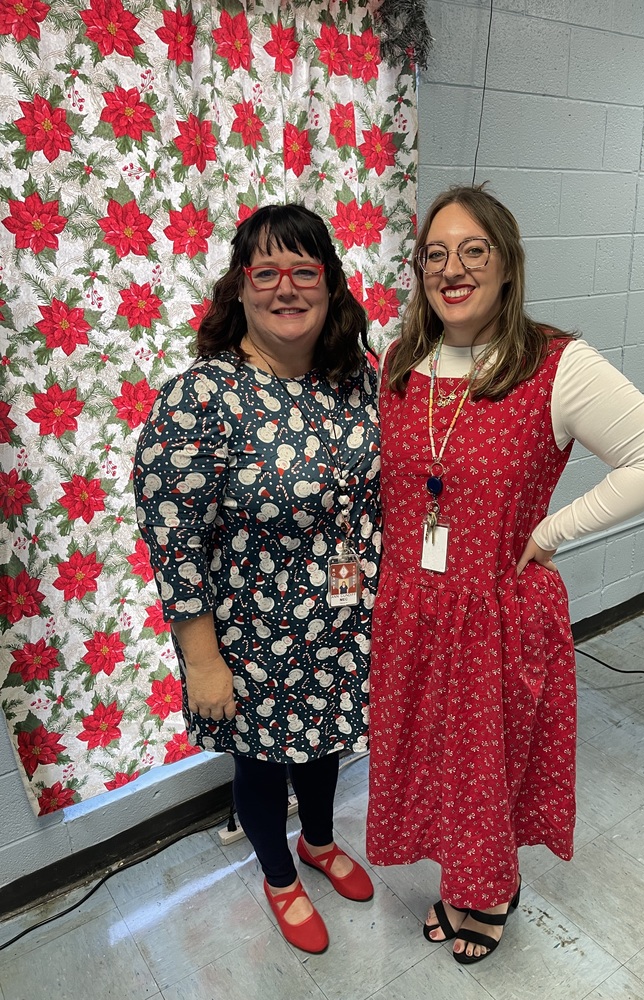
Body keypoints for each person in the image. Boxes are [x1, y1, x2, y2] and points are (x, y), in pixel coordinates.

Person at [366, 185, 644, 965]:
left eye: (473, 251)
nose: (453, 269)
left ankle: (487, 892)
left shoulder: (555, 364)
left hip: (495, 610)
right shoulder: (401, 356)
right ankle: (463, 873)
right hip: (412, 604)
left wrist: (553, 530)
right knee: (435, 757)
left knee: (485, 767)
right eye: (435, 254)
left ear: (507, 266)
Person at [134, 204, 381, 955]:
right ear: (238, 289)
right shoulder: (203, 397)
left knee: (324, 743)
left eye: (303, 270)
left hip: (339, 623)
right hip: (251, 638)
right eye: (265, 271)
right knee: (265, 756)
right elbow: (171, 537)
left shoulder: (356, 381)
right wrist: (201, 661)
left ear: (331, 285)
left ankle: (317, 840)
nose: (285, 287)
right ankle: (279, 875)